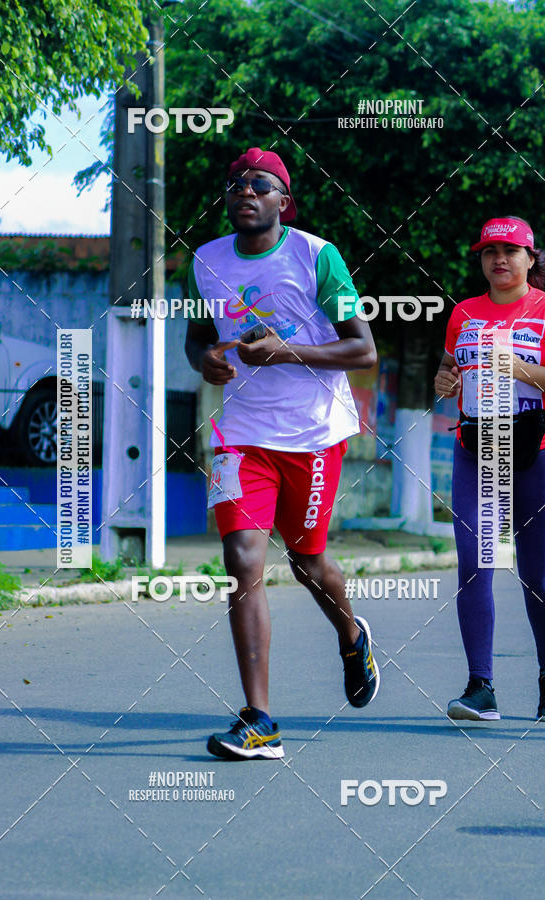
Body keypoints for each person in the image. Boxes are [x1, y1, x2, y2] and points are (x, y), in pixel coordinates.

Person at [185, 147, 379, 759]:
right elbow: (197, 339)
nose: (246, 191)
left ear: (283, 201)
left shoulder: (318, 257)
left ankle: (351, 636)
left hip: (311, 434)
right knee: (242, 560)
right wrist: (206, 360)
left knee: (306, 561)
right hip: (241, 435)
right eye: (236, 184)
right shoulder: (205, 261)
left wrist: (286, 353)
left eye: (260, 184)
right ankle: (260, 720)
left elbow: (363, 351)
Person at [434, 216, 545, 722]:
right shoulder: (464, 313)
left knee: (535, 572)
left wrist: (517, 368)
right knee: (478, 562)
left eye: (510, 251)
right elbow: (451, 368)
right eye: (489, 251)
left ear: (530, 258)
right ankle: (481, 687)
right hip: (478, 447)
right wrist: (445, 379)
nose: (499, 259)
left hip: (539, 449)